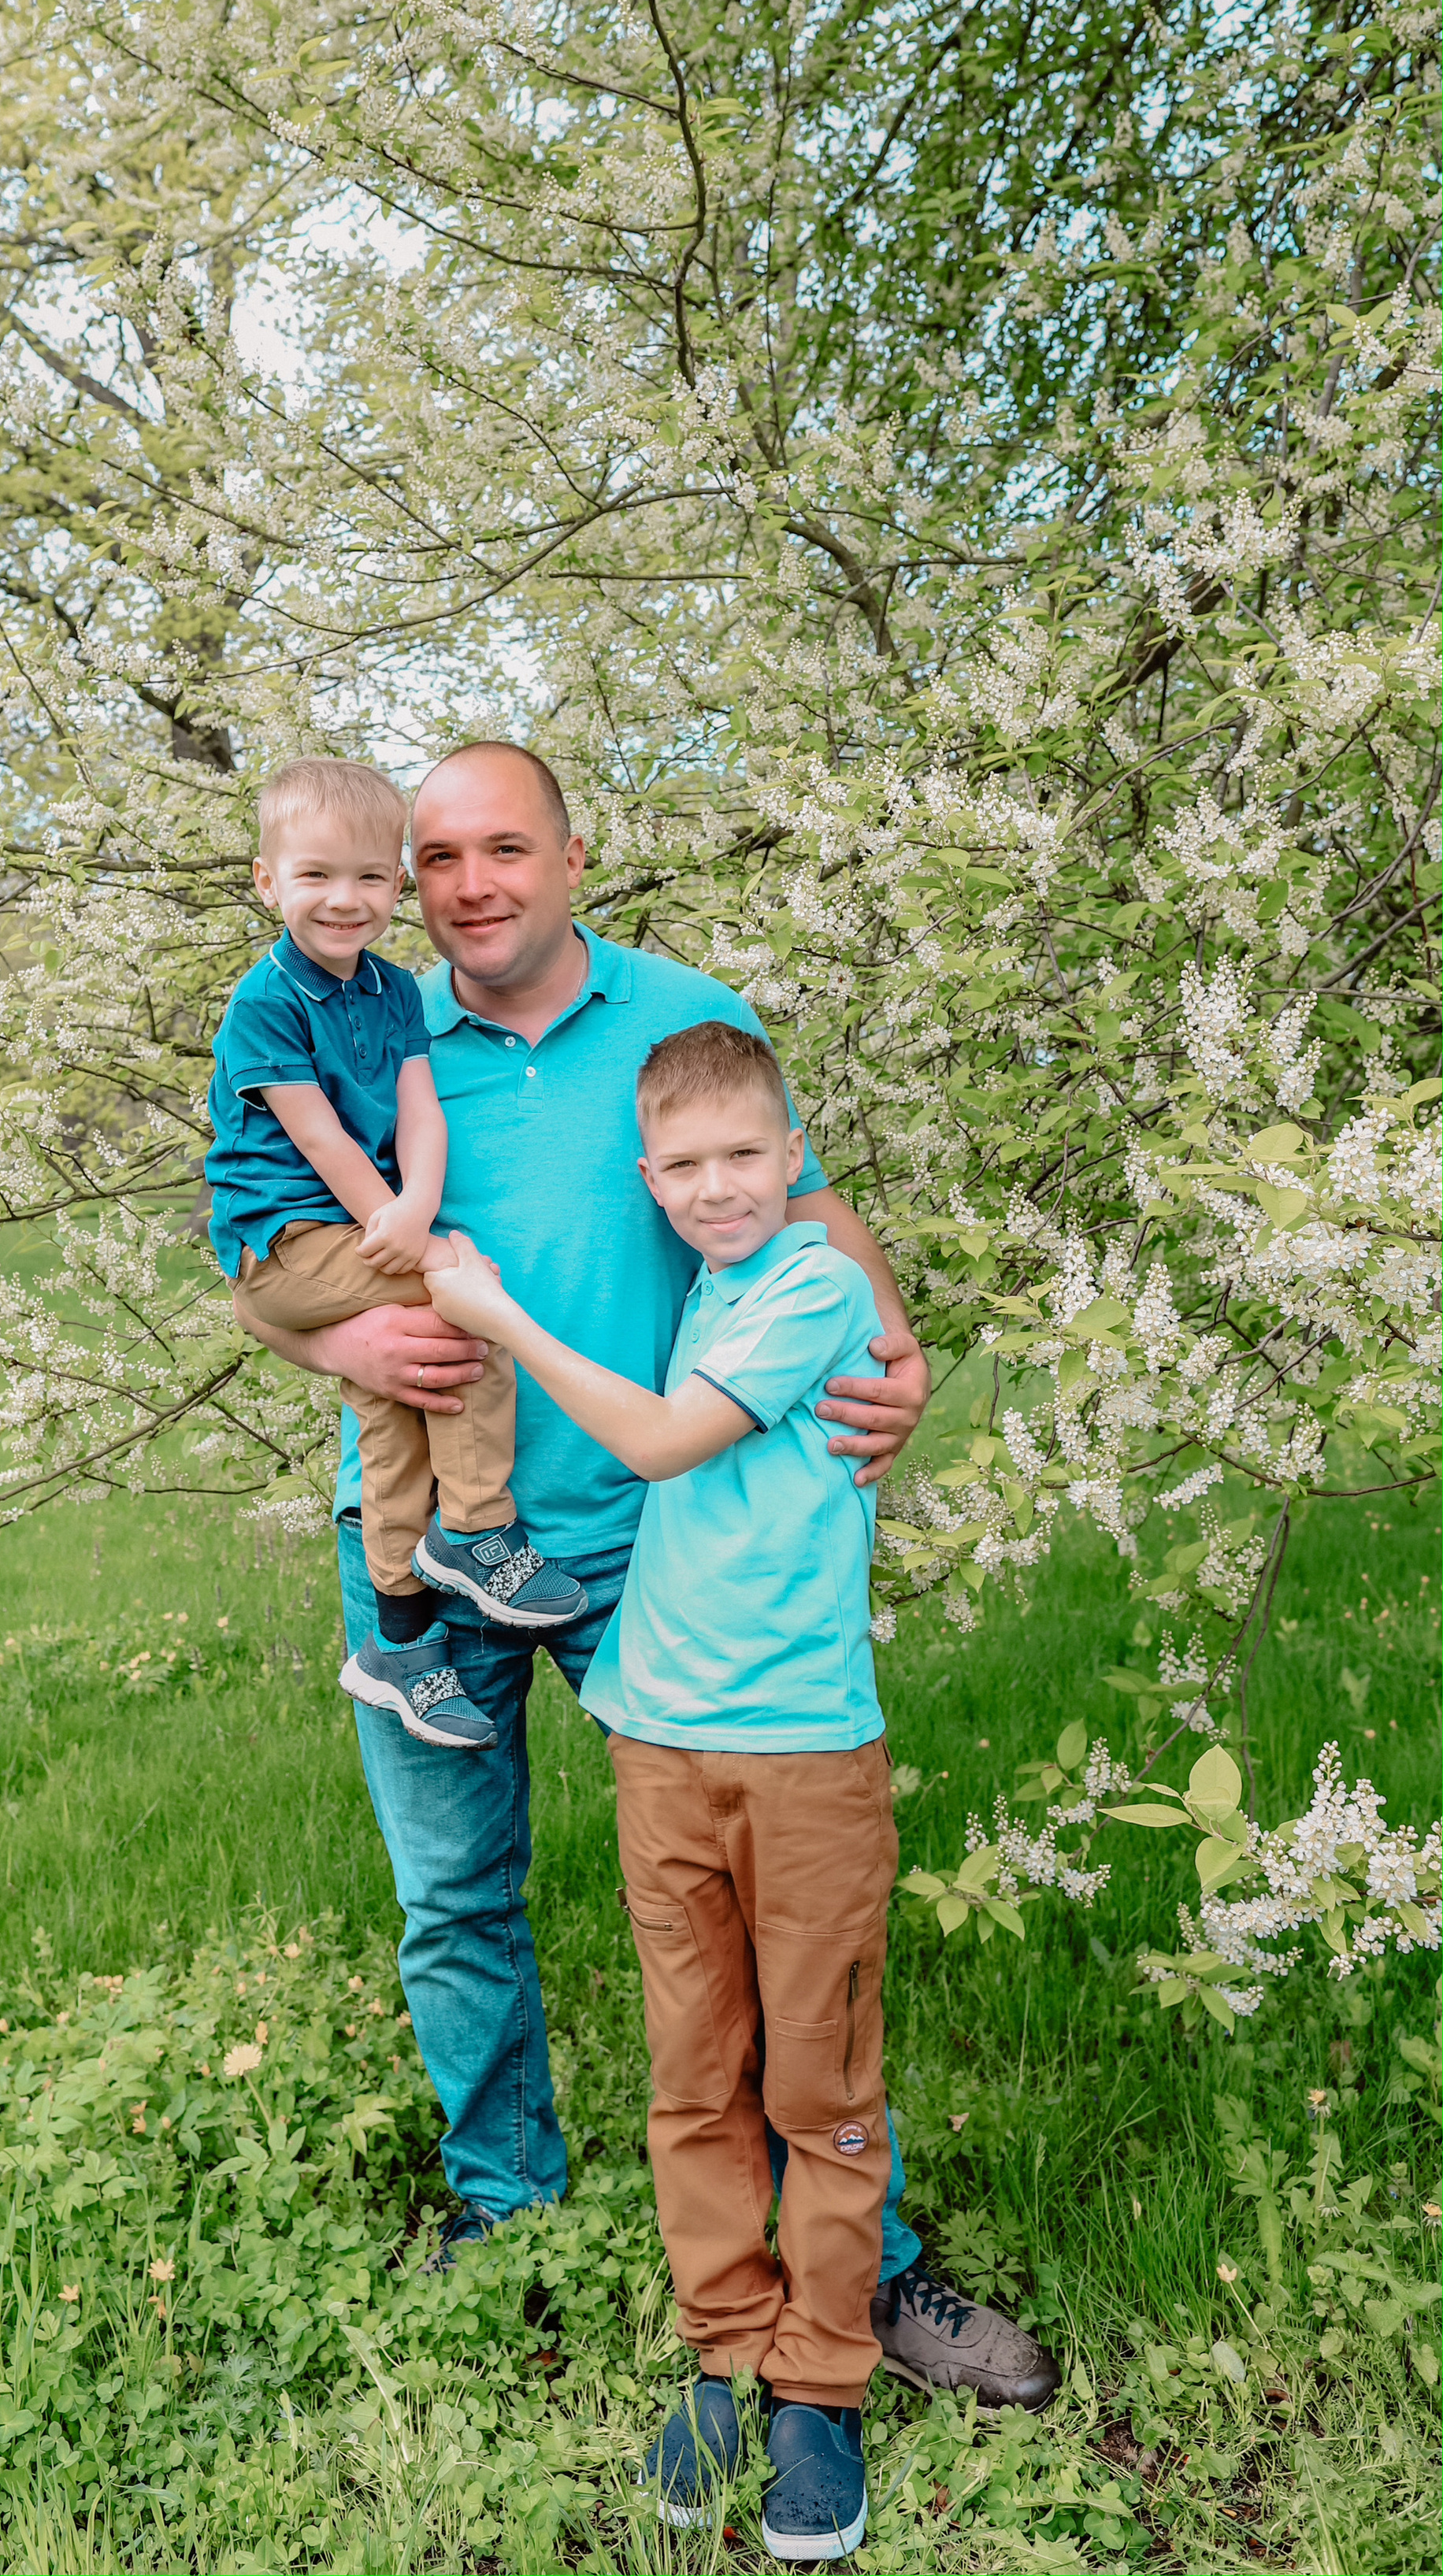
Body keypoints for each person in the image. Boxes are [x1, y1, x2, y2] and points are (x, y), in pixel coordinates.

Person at [230, 740, 1059, 2414]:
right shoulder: (360, 1014)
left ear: (571, 854)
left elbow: (802, 1206)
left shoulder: (684, 1015)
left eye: (503, 849)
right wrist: (329, 1327)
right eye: (439, 856)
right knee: (457, 1902)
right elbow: (259, 1269)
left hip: (656, 1548)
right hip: (424, 1551)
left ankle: (862, 2264)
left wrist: (891, 1351)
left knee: (757, 1934)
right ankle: (507, 2217)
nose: (471, 885)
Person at [426, 1018, 896, 2559]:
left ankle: (817, 2389)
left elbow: (657, 1442)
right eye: (682, 1168)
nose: (713, 1188)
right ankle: (720, 2352)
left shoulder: (811, 1286)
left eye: (743, 1158)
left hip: (802, 1754)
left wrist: (495, 1317)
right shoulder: (714, 1283)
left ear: (791, 1155)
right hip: (658, 1743)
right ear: (650, 1177)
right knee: (693, 2075)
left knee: (813, 2089)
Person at [206, 757, 589, 1751]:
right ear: (266, 882)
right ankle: (474, 1527)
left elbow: (417, 1110)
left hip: (361, 1224)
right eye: (317, 877)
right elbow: (324, 1140)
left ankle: (402, 1640)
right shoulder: (265, 1004)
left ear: (397, 886)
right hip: (284, 1241)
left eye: (372, 878)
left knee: (394, 1404)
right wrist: (413, 1240)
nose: (347, 900)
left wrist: (418, 1202)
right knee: (470, 1300)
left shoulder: (388, 991)